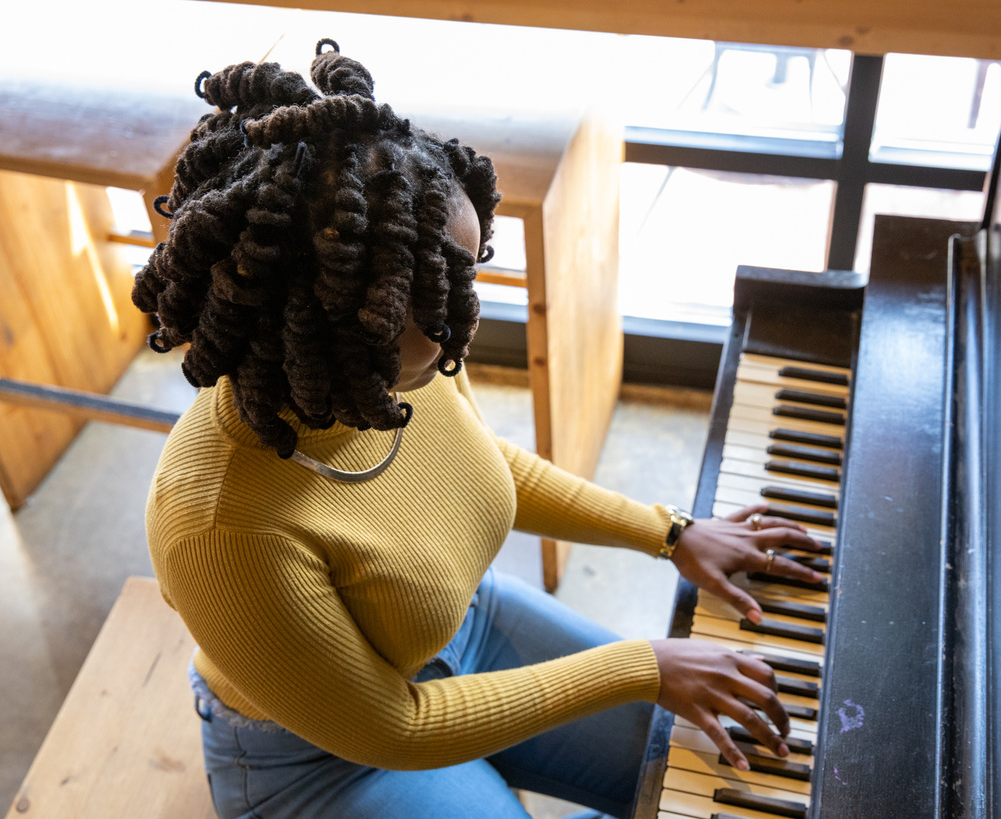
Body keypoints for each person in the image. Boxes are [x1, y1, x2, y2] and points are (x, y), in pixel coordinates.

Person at [137, 39, 827, 819]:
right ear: (334, 318)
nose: (461, 310)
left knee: (707, 770)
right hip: (322, 757)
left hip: (457, 624)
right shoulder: (221, 525)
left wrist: (672, 534)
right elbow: (394, 728)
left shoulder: (402, 361)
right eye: (429, 291)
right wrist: (641, 663)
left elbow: (474, 461)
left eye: (460, 273)